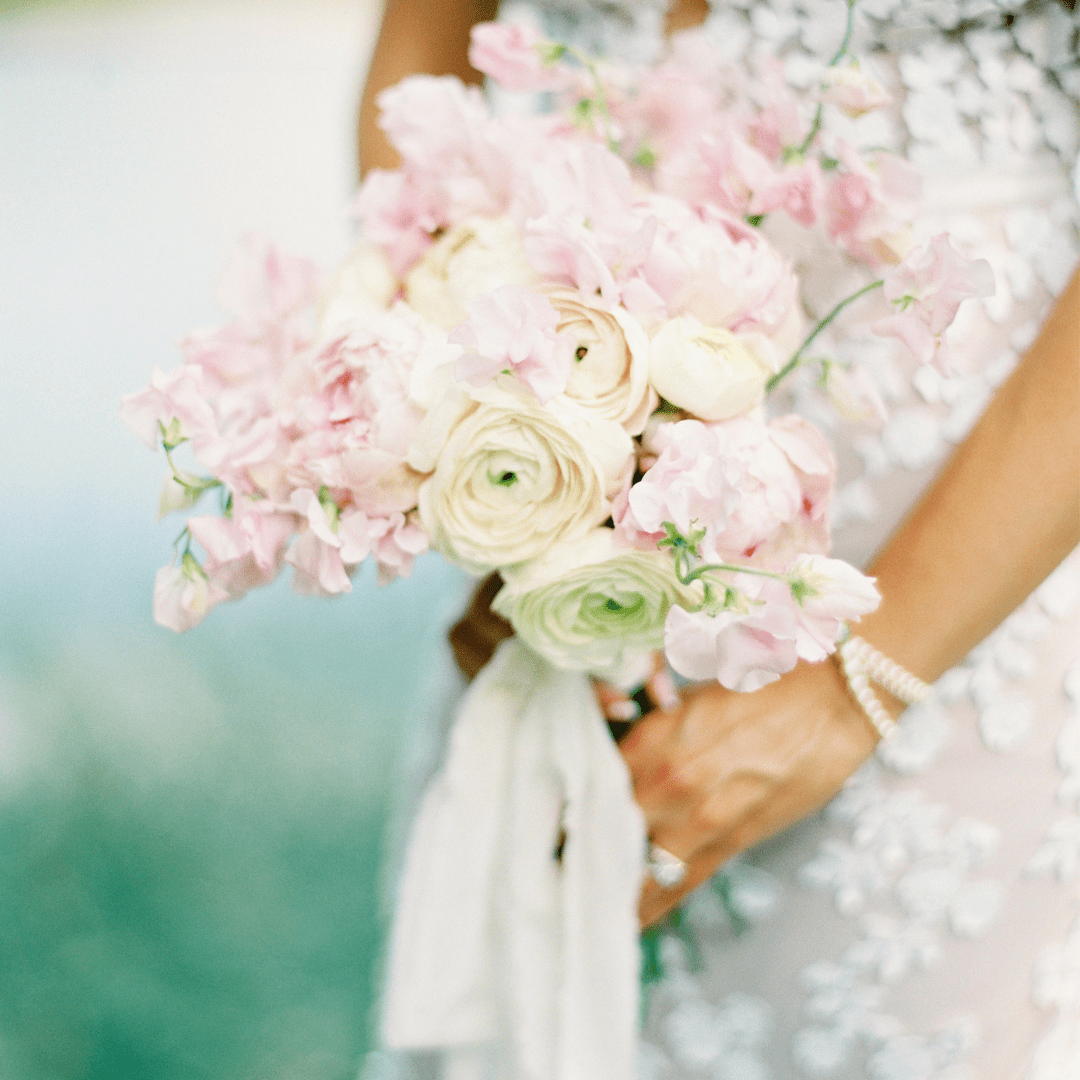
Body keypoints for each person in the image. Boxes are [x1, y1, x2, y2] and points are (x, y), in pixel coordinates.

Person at [359, 1, 1080, 1076]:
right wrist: (487, 472)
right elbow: (419, 49)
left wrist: (855, 686)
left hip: (969, 589)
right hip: (567, 528)